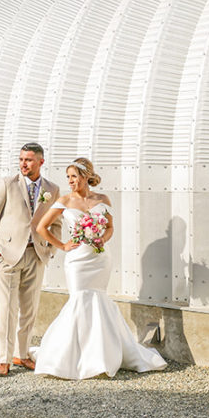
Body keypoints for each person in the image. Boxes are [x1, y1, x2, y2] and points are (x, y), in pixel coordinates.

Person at [33, 157, 167, 379]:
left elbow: (111, 227)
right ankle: (69, 357)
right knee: (79, 300)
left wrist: (103, 238)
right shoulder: (64, 201)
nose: (70, 181)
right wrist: (63, 245)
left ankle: (103, 355)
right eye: (68, 177)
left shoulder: (103, 199)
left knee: (99, 299)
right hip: (77, 259)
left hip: (99, 257)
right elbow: (41, 227)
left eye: (74, 176)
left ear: (85, 177)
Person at [0, 143, 61, 377]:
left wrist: (49, 251)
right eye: (20, 159)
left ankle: (22, 354)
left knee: (29, 309)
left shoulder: (52, 189)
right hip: (7, 255)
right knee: (7, 309)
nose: (23, 164)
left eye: (28, 160)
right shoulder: (7, 184)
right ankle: (3, 359)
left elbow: (55, 222)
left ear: (41, 162)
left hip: (35, 255)